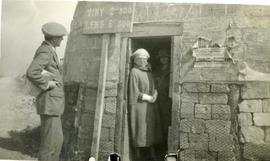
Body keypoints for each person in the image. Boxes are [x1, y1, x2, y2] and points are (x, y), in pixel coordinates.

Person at [26, 22, 67, 161]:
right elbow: (32, 72)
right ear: (54, 38)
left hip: (53, 104)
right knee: (49, 146)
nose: (62, 39)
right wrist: (47, 84)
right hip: (50, 103)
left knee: (56, 143)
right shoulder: (45, 51)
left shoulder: (50, 50)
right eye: (61, 37)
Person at [128, 48, 162, 161]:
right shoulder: (134, 72)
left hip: (150, 105)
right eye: (140, 59)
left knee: (150, 127)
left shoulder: (149, 72)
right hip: (140, 105)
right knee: (140, 128)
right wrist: (149, 98)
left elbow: (154, 86)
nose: (143, 61)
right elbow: (134, 91)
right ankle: (138, 153)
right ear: (135, 60)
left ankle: (151, 151)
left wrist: (155, 95)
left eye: (144, 59)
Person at [154, 49, 172, 153]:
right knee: (158, 121)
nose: (163, 60)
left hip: (167, 99)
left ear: (168, 58)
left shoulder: (171, 69)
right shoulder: (157, 70)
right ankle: (160, 145)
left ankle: (167, 144)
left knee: (166, 120)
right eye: (161, 58)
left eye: (165, 57)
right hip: (157, 98)